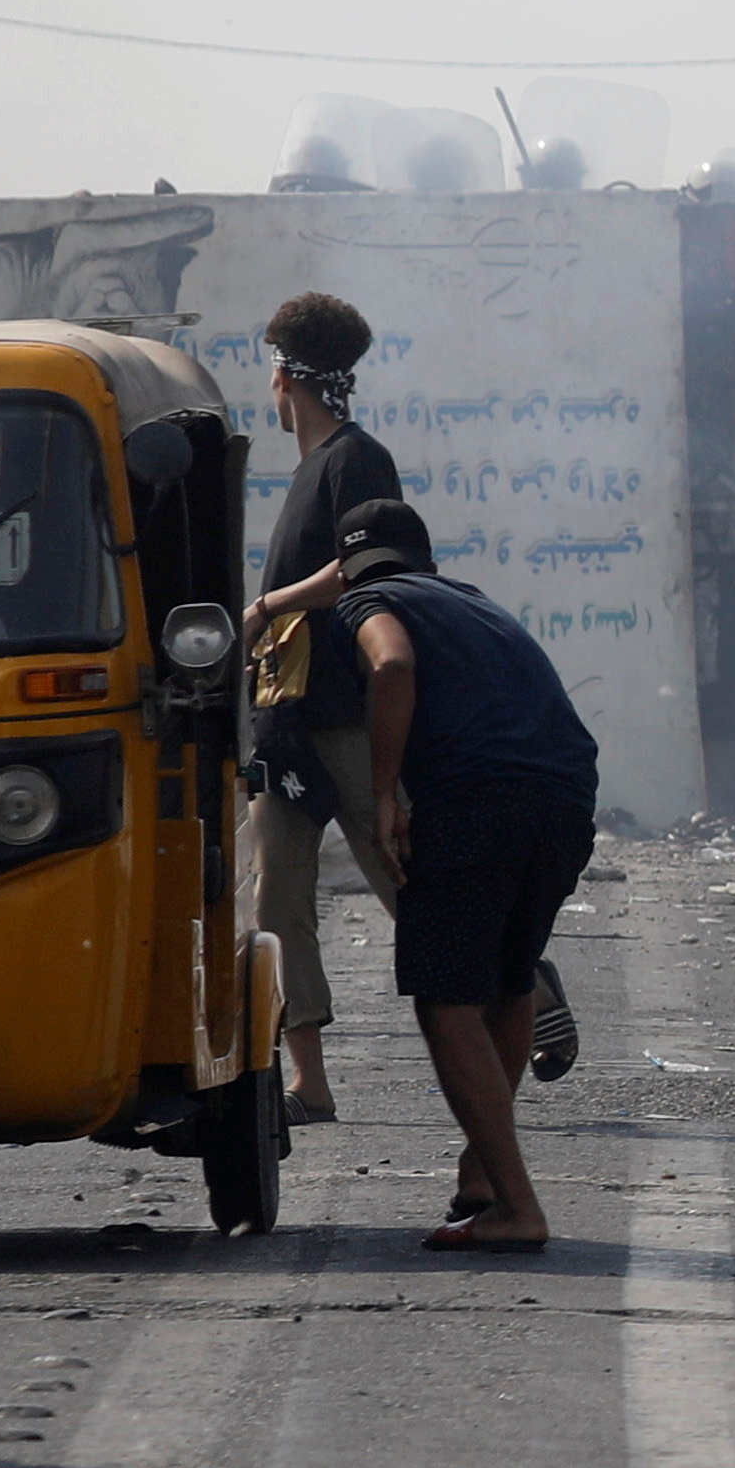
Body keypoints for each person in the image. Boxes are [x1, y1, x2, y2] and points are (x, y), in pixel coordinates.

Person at [331, 497, 604, 1261]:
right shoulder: (471, 602)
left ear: (347, 568)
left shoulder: (367, 601)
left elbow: (391, 663)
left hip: (475, 802)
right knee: (509, 983)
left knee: (447, 1001)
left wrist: (384, 793)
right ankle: (483, 1175)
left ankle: (517, 1205)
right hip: (563, 797)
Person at [235, 291, 411, 1121]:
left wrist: (269, 606)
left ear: (284, 375)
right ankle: (308, 1078)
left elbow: (366, 565)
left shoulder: (354, 458)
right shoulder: (310, 470)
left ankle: (519, 989)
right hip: (289, 719)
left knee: (402, 871)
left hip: (344, 710)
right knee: (275, 895)